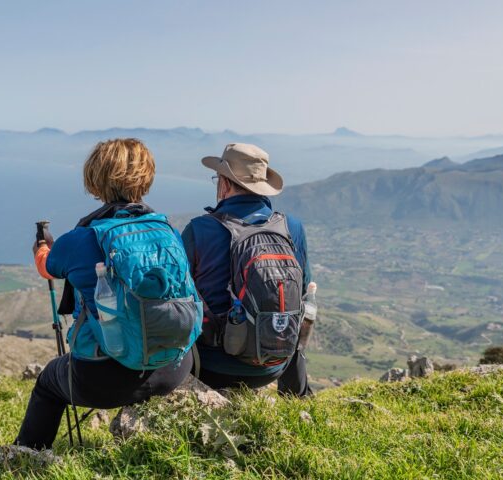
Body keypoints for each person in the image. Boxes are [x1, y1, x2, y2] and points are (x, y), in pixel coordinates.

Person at [16, 138, 197, 450]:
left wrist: (43, 248)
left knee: (48, 382)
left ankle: (26, 454)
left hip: (102, 379)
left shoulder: (80, 239)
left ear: (95, 181)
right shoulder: (166, 230)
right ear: (146, 178)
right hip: (173, 368)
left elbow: (48, 267)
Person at [181, 143, 313, 396]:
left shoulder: (200, 230)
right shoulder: (291, 228)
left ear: (225, 183)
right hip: (275, 366)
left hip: (211, 366)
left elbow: (178, 295)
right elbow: (305, 290)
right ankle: (297, 395)